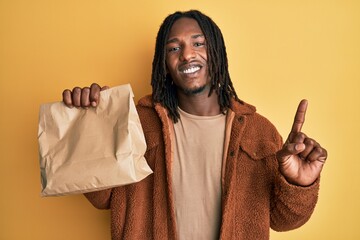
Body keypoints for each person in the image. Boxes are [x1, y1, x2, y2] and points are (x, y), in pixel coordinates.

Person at [62, 10, 327, 240]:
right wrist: (90, 124)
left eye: (198, 44)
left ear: (217, 53)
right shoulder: (138, 123)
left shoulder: (259, 131)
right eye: (174, 48)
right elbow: (103, 198)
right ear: (164, 64)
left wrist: (299, 184)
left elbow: (283, 221)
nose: (187, 55)